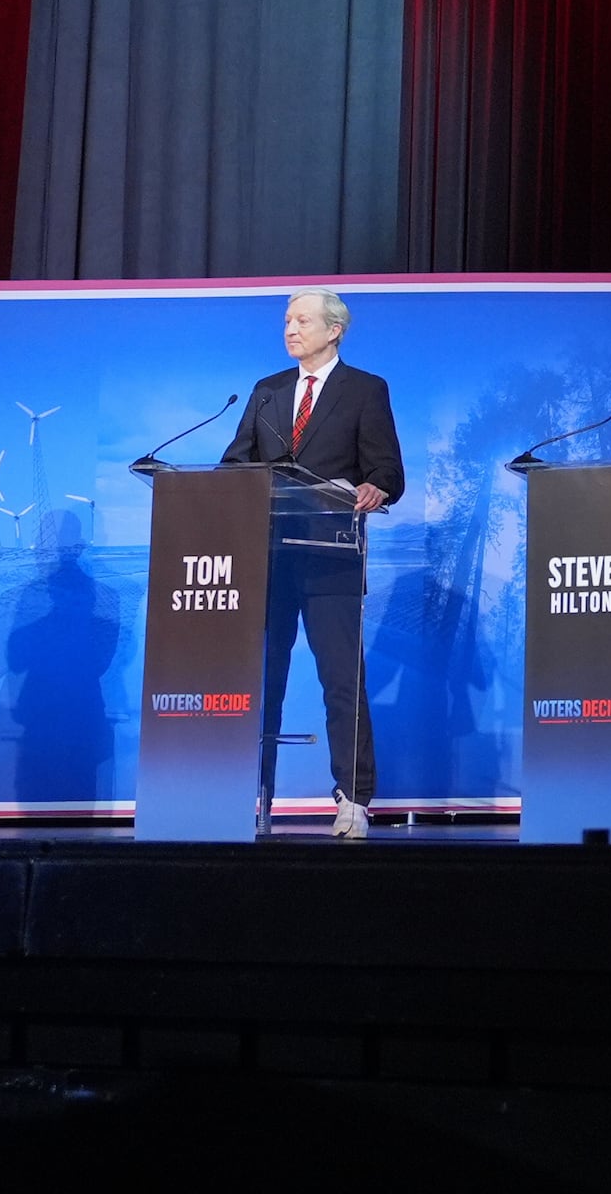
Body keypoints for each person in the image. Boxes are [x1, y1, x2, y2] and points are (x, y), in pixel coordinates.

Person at [221, 288, 405, 839]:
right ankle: (255, 795)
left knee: (341, 681)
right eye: (286, 320)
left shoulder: (365, 390)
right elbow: (236, 464)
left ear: (335, 330)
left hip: (331, 557)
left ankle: (354, 798)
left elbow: (388, 470)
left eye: (302, 319)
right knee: (262, 678)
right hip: (269, 558)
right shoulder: (267, 391)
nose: (290, 328)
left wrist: (375, 488)